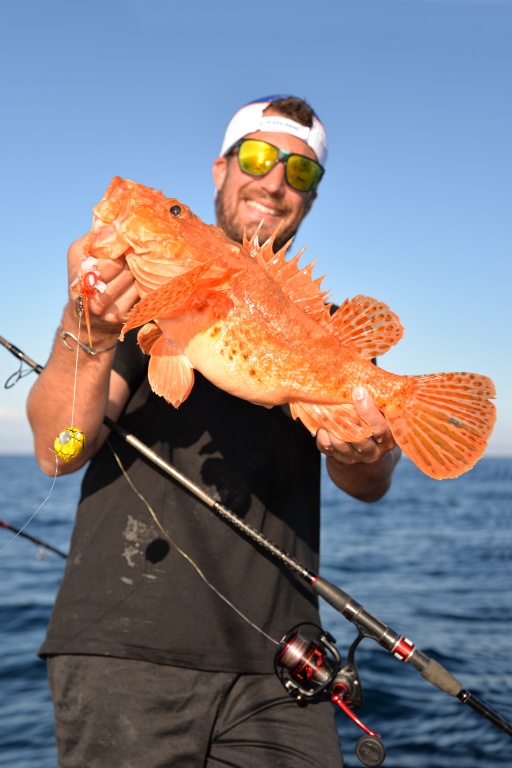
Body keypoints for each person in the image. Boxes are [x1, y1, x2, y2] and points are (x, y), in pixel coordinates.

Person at [27, 95, 401, 768]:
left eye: (302, 172)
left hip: (282, 665)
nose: (276, 181)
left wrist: (368, 448)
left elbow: (367, 480)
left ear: (312, 199)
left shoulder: (329, 325)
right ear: (221, 170)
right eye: (257, 157)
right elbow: (61, 450)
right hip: (121, 653)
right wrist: (86, 333)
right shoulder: (145, 302)